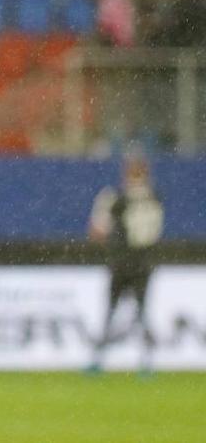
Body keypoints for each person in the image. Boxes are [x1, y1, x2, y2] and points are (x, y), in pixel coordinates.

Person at [86, 145, 164, 375]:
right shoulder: (154, 197)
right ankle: (146, 363)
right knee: (141, 312)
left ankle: (99, 361)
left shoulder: (117, 198)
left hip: (122, 262)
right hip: (144, 263)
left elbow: (97, 231)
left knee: (112, 310)